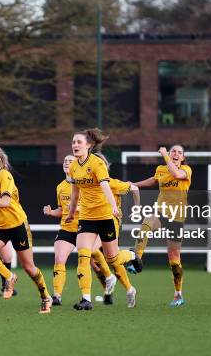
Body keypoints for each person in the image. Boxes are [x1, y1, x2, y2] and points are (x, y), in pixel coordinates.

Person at [0, 147, 52, 314]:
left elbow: (5, 201)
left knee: (28, 267)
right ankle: (9, 276)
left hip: (17, 224)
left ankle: (45, 296)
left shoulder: (5, 176)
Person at [66, 128, 138, 310]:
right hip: (87, 217)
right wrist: (71, 213)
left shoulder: (96, 163)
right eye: (73, 142)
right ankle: (86, 299)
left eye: (78, 142)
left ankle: (131, 255)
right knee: (83, 253)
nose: (75, 145)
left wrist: (114, 206)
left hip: (105, 215)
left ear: (89, 145)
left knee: (112, 259)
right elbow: (75, 194)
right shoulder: (74, 166)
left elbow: (105, 186)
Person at [132, 145, 191, 307]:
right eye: (173, 151)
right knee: (147, 223)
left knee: (174, 259)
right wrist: (133, 184)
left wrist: (165, 154)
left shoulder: (186, 170)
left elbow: (176, 174)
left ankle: (178, 294)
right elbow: (153, 180)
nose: (176, 154)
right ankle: (136, 259)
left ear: (183, 157)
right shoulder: (161, 168)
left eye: (179, 152)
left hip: (176, 217)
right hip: (161, 212)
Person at [44, 155, 102, 305]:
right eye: (65, 161)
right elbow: (61, 210)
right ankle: (56, 296)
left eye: (71, 161)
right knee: (59, 259)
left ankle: (103, 288)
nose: (67, 163)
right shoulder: (60, 187)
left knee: (95, 263)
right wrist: (51, 212)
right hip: (67, 229)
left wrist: (76, 207)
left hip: (85, 229)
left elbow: (93, 205)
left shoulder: (85, 183)